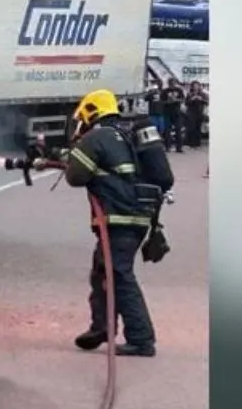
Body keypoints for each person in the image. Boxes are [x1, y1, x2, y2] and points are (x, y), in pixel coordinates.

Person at [59, 89, 174, 356]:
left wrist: (69, 156)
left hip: (119, 216)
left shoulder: (96, 137)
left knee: (119, 275)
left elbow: (76, 177)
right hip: (139, 214)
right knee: (102, 270)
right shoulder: (125, 133)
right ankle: (101, 327)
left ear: (89, 113)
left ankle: (141, 339)